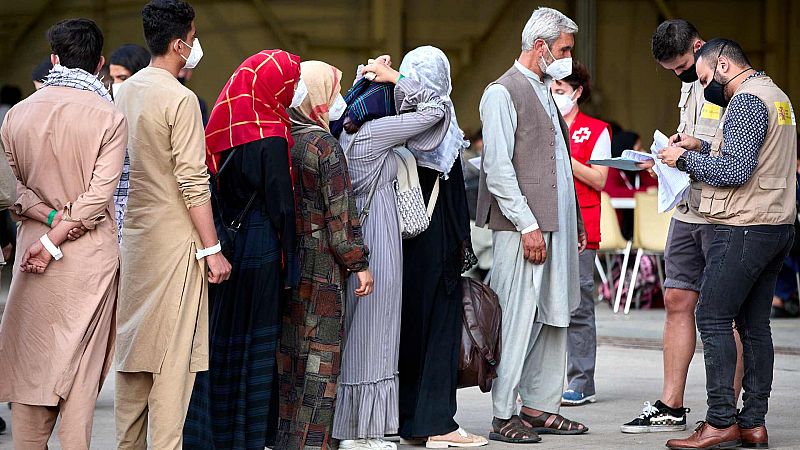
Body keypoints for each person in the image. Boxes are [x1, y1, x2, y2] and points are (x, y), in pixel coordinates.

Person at [657, 38, 796, 450]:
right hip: (777, 225)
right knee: (755, 326)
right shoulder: (778, 97)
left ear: (721, 65)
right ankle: (753, 423)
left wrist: (679, 160)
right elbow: (755, 155)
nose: (704, 88)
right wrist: (701, 145)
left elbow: (735, 170)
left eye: (703, 78)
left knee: (713, 316)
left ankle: (720, 421)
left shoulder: (747, 100)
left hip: (745, 226)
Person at [0, 18, 126, 448]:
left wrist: (46, 221)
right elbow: (97, 198)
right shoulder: (109, 114)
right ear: (99, 64)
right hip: (87, 258)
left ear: (54, 59)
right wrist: (60, 231)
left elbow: (9, 189)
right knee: (81, 376)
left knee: (32, 370)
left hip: (31, 252)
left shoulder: (18, 113)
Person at [114, 1, 232, 449]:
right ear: (179, 44)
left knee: (134, 358)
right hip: (175, 245)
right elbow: (192, 180)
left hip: (135, 242)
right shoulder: (180, 99)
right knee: (172, 363)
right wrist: (211, 248)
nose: (196, 45)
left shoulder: (123, 93)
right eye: (195, 37)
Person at [621, 20, 743, 434]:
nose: (680, 74)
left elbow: (736, 155)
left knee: (725, 311)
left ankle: (726, 410)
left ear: (700, 47)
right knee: (676, 298)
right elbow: (697, 135)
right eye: (672, 70)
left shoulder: (735, 85)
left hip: (723, 210)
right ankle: (671, 404)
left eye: (683, 66)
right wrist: (668, 151)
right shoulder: (689, 83)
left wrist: (688, 154)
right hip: (688, 206)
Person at [477, 7, 588, 444]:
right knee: (519, 317)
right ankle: (504, 413)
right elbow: (498, 169)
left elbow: (559, 164)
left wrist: (574, 218)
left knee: (557, 313)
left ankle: (540, 407)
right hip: (524, 229)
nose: (567, 58)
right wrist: (527, 225)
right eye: (563, 49)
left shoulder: (545, 88)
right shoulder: (501, 92)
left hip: (555, 226)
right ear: (540, 47)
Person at [182, 49, 300, 450]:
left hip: (224, 241)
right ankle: (250, 435)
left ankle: (210, 433)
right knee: (258, 340)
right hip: (262, 245)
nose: (293, 89)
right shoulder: (272, 135)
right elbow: (282, 206)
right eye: (290, 82)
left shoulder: (221, 122)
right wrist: (294, 262)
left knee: (222, 337)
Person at [331, 56, 449, 450]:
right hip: (378, 239)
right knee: (376, 331)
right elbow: (437, 108)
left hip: (357, 234)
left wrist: (370, 77)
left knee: (361, 331)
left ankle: (356, 427)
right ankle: (361, 432)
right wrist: (398, 77)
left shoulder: (348, 132)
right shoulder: (378, 132)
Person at [274, 60, 373, 450]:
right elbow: (340, 214)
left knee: (290, 358)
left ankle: (287, 439)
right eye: (333, 92)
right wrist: (359, 263)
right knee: (321, 358)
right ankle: (313, 442)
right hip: (323, 268)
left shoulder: (284, 136)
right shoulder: (324, 145)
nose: (337, 100)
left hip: (288, 261)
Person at [396, 46, 488, 449]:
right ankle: (438, 424)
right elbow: (453, 201)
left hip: (400, 245)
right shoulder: (440, 126)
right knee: (439, 332)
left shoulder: (396, 123)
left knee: (407, 332)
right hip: (436, 246)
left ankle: (409, 420)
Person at [551, 61, 611, 407]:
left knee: (579, 306)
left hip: (582, 227)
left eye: (561, 90)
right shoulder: (542, 123)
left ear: (577, 93)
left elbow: (600, 179)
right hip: (545, 221)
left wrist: (564, 156)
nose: (556, 95)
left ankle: (581, 379)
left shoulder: (595, 130)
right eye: (552, 89)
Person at [109, 43, 151, 243]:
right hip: (117, 211)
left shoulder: (155, 109)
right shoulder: (107, 111)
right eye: (113, 79)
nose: (116, 84)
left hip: (149, 208)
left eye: (123, 78)